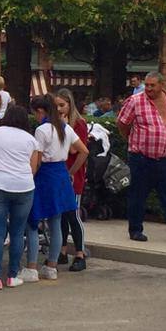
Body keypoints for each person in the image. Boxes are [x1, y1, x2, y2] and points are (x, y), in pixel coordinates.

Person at [116, 72, 166, 244]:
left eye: (152, 85)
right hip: (141, 157)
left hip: (165, 159)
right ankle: (135, 229)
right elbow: (122, 123)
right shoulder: (135, 101)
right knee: (138, 195)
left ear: (162, 85)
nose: (148, 89)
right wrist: (132, 142)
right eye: (146, 85)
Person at [25, 93, 84, 281]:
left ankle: (32, 267)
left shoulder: (42, 130)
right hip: (61, 174)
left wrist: (28, 177)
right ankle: (51, 267)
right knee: (56, 222)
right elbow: (84, 151)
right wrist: (71, 171)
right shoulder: (65, 128)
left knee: (34, 221)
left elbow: (37, 160)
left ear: (40, 111)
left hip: (45, 176)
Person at [0, 104, 40, 290]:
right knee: (17, 232)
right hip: (24, 187)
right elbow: (33, 169)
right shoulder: (31, 140)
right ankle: (13, 276)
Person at [53, 89, 90, 271]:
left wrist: (65, 128)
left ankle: (80, 253)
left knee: (73, 214)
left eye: (62, 105)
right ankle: (61, 250)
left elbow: (76, 150)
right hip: (59, 174)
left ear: (70, 105)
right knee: (61, 216)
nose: (59, 109)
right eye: (56, 106)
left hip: (74, 175)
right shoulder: (55, 124)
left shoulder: (78, 124)